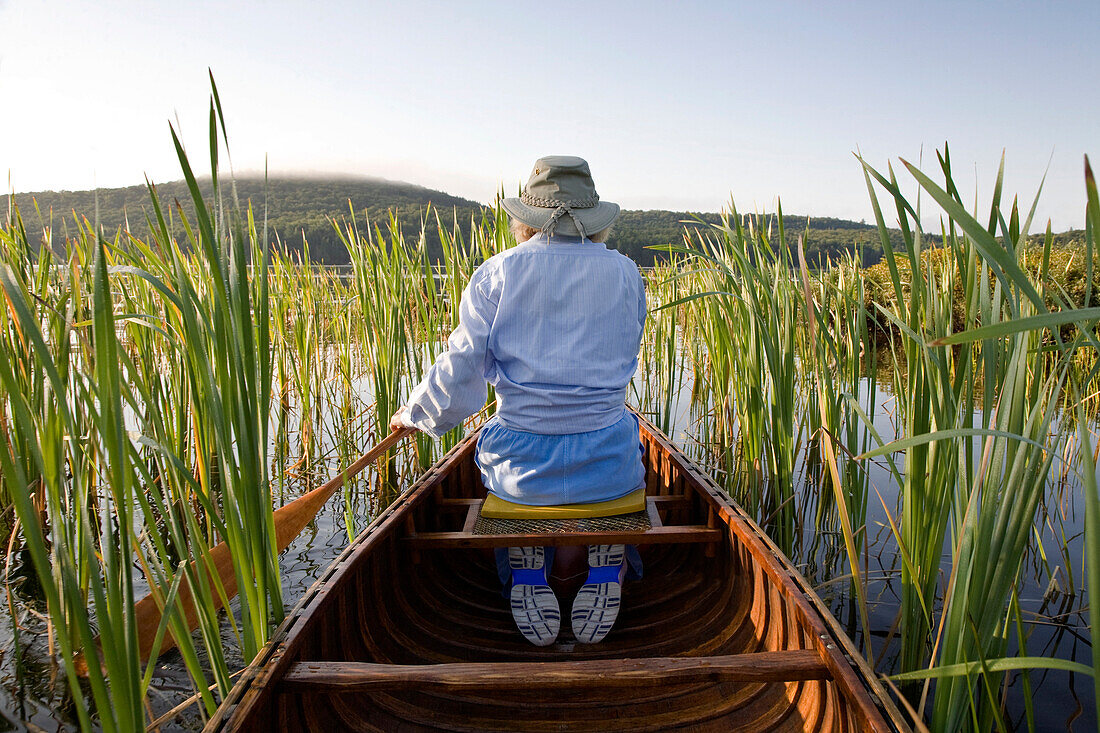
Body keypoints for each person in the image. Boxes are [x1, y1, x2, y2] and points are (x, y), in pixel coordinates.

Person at [390, 156, 646, 646]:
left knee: (517, 481)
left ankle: (529, 571)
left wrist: (416, 414)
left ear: (526, 218)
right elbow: (625, 353)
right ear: (593, 220)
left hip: (521, 468)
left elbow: (462, 363)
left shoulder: (498, 272)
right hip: (609, 461)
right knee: (610, 463)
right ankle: (601, 568)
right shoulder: (627, 273)